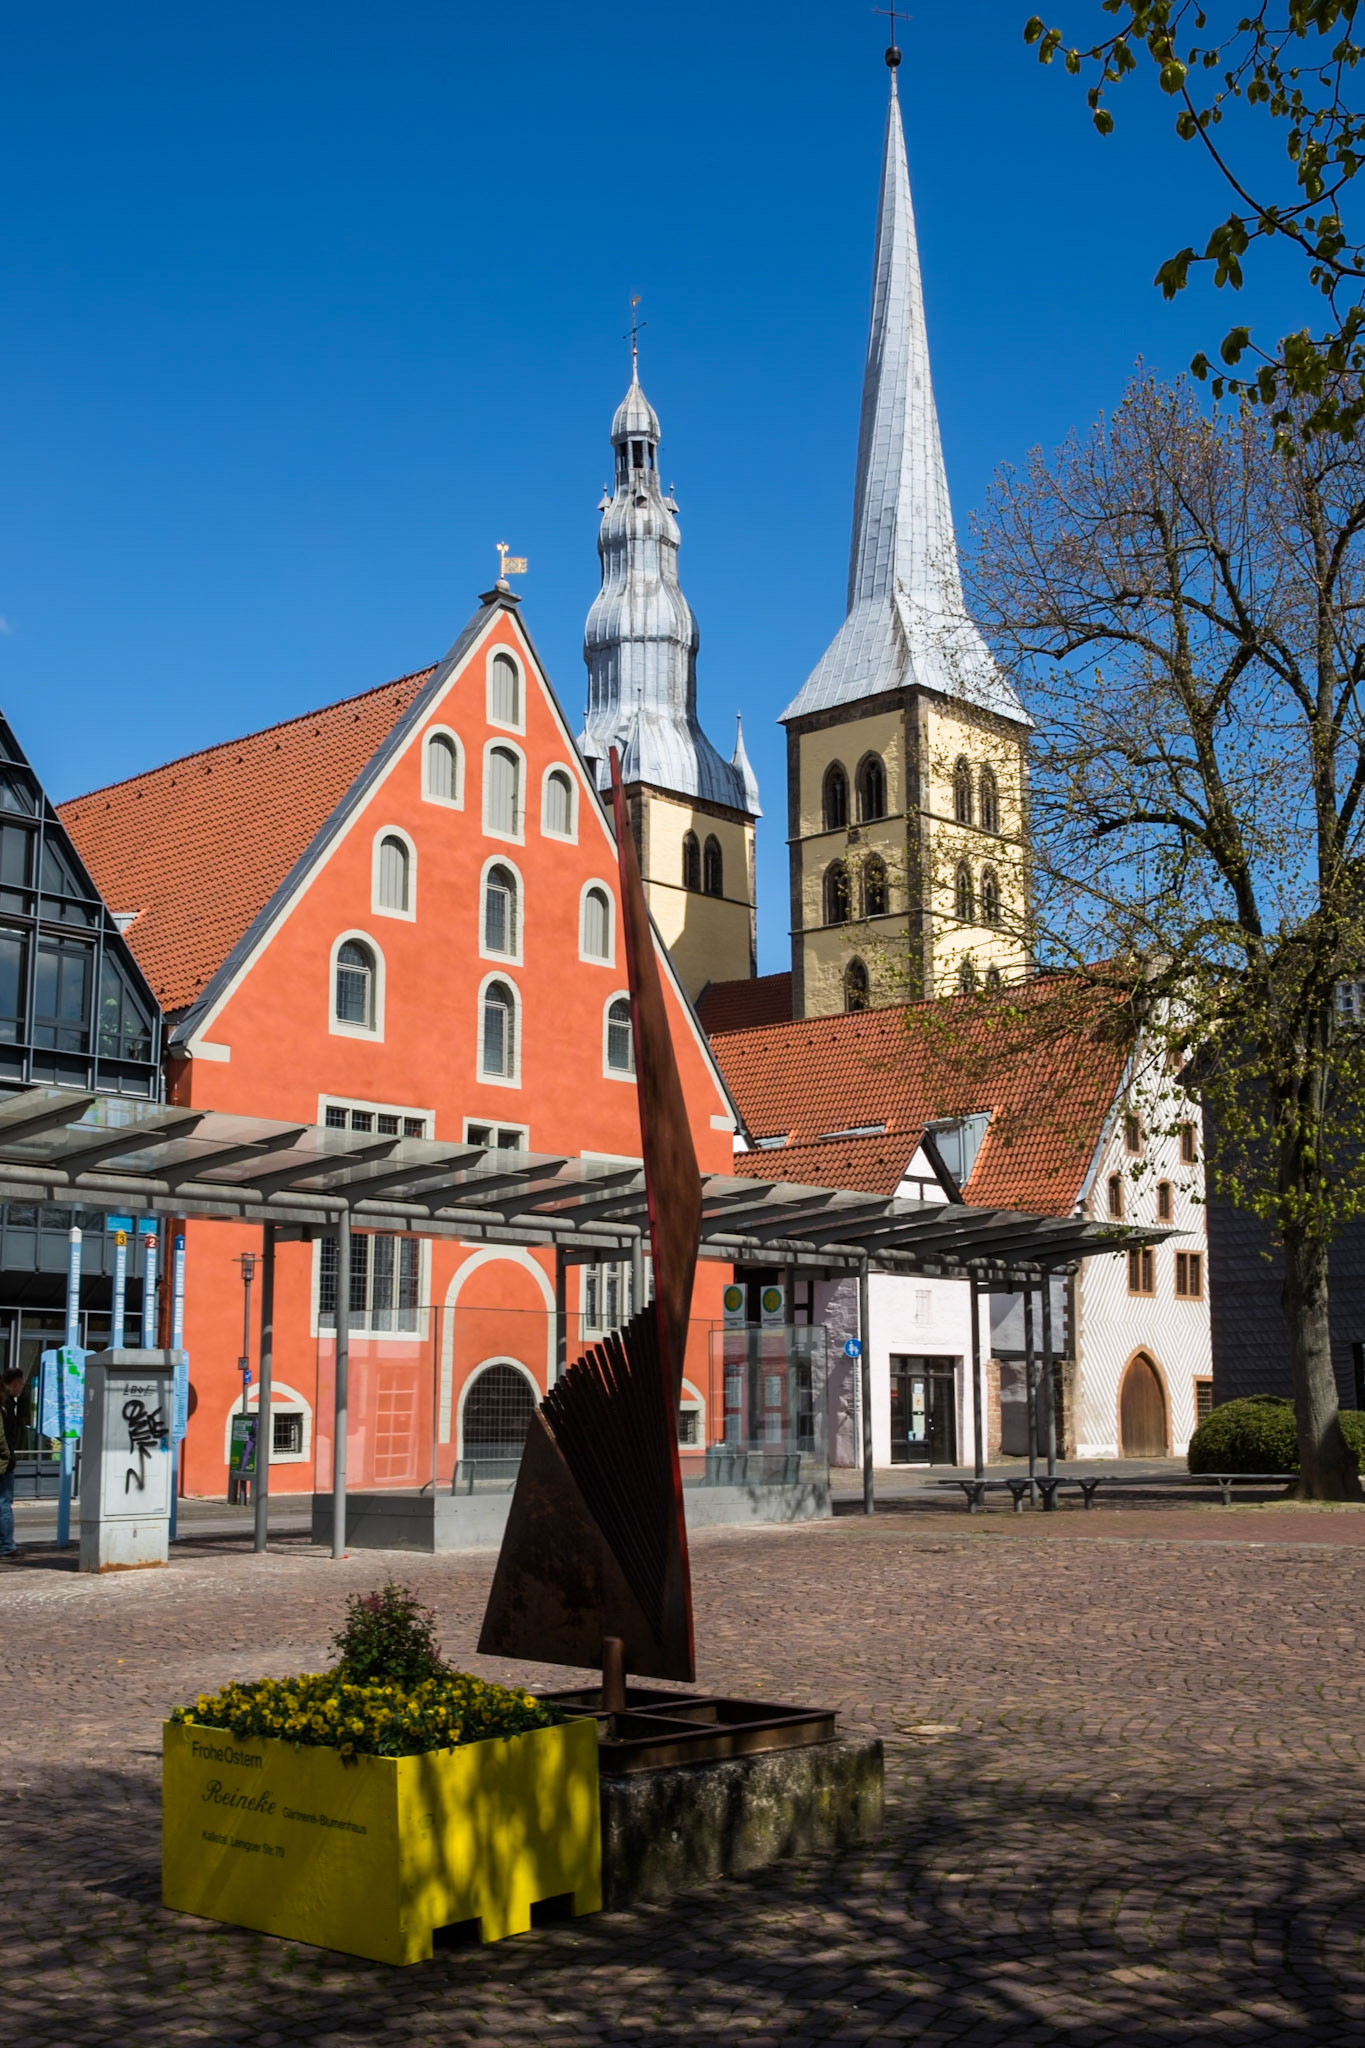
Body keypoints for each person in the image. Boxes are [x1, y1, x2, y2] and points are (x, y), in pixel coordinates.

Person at [0, 1368, 17, 1558]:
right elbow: (1, 1437)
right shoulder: (4, 1405)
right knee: (4, 1504)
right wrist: (6, 1455)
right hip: (3, 1464)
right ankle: (6, 1546)